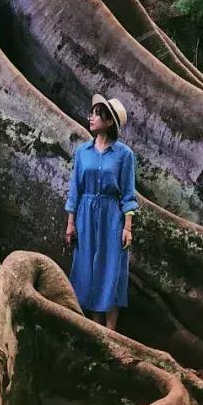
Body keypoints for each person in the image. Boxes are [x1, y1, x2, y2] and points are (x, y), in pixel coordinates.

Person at [63, 93, 137, 330]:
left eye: (97, 113)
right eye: (92, 112)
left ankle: (111, 332)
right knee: (88, 268)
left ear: (108, 121)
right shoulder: (82, 152)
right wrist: (71, 222)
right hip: (85, 215)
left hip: (111, 217)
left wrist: (127, 227)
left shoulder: (124, 155)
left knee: (111, 269)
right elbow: (75, 189)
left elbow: (128, 194)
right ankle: (96, 329)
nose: (91, 117)